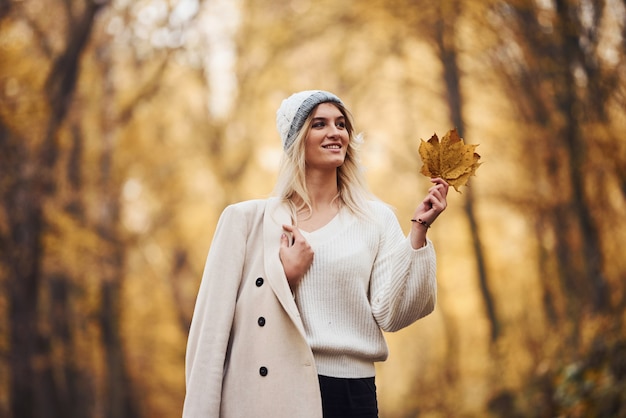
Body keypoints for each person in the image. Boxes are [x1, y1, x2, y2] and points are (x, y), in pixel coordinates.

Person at [183, 90, 448, 418]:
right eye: (319, 124)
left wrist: (419, 231)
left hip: (355, 394)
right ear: (296, 140)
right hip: (277, 388)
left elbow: (392, 315)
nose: (335, 132)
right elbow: (212, 335)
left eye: (341, 124)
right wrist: (285, 277)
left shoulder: (376, 219)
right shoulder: (247, 222)